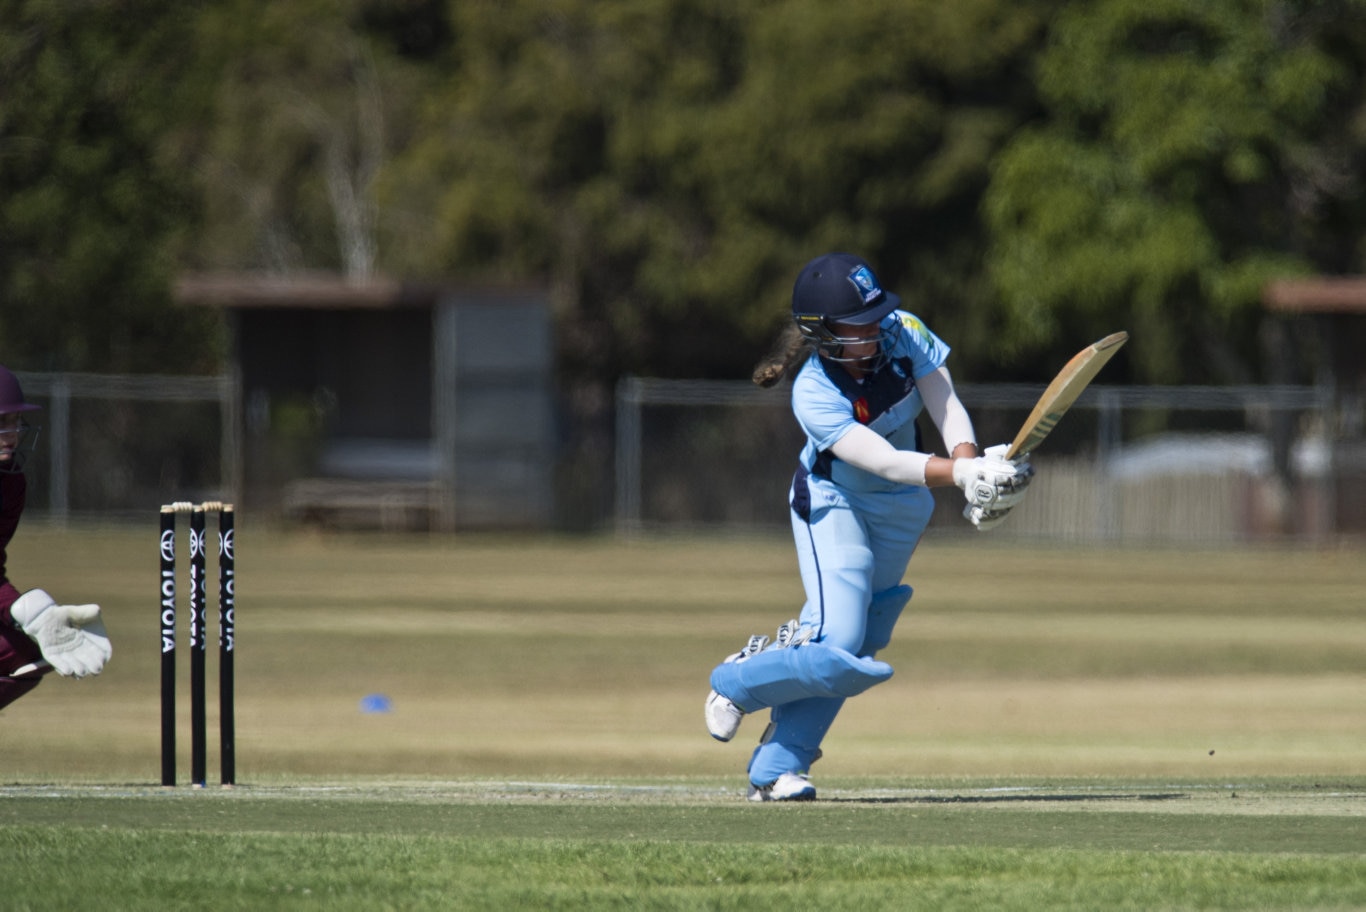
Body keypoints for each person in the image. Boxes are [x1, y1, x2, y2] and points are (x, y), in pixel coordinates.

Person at [704, 253, 1032, 801]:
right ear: (824, 334)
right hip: (834, 503)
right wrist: (962, 474)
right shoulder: (814, 393)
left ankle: (777, 769)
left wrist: (973, 468)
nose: (877, 329)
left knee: (863, 637)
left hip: (903, 506)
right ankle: (737, 678)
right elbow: (881, 459)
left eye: (879, 314)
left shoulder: (902, 333)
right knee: (839, 644)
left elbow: (944, 402)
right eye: (861, 324)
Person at [0, 365, 111, 711]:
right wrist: (27, 608)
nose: (12, 433)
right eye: (2, 422)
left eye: (15, 421)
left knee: (23, 656)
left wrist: (34, 616)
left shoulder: (10, 483)